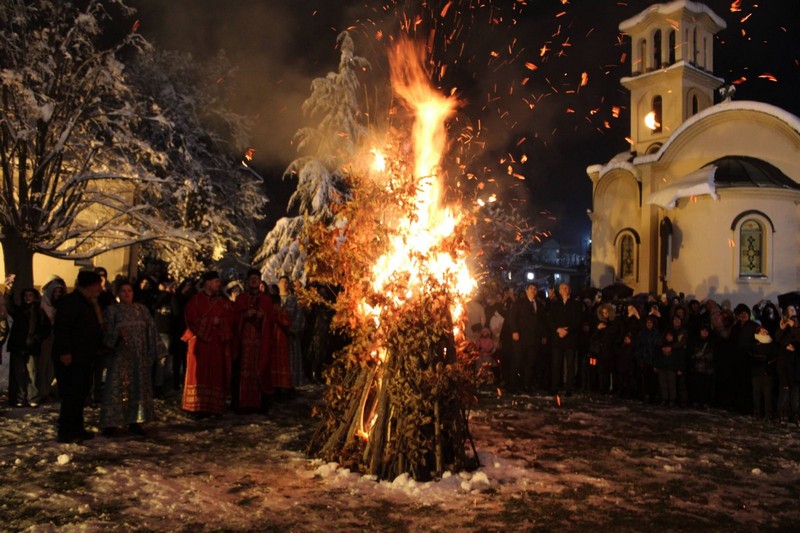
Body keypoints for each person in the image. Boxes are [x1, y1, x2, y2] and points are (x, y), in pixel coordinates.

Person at [100, 280, 162, 436]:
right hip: (119, 358)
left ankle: (135, 421)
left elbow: (152, 330)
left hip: (139, 358)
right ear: (118, 293)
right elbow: (105, 334)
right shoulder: (111, 311)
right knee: (116, 388)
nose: (127, 294)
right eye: (123, 291)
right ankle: (111, 423)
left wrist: (156, 351)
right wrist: (117, 334)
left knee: (137, 388)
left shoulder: (141, 309)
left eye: (130, 291)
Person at [53, 270, 105, 443]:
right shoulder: (71, 302)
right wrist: (65, 351)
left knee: (80, 393)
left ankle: (77, 427)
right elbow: (62, 328)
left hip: (84, 356)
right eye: (97, 285)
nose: (100, 288)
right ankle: (66, 430)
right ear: (89, 286)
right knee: (71, 394)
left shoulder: (88, 303)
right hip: (71, 357)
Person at [182, 271, 234, 417]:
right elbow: (191, 319)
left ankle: (213, 407)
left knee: (215, 374)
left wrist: (221, 323)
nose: (219, 284)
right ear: (207, 283)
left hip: (217, 344)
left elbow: (231, 318)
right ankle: (196, 407)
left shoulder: (223, 302)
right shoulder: (195, 300)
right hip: (199, 344)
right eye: (216, 281)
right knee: (198, 374)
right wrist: (212, 322)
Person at [231, 268, 275, 412]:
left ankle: (259, 405)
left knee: (260, 368)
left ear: (260, 281)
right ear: (247, 281)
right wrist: (244, 315)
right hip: (243, 343)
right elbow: (233, 318)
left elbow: (272, 320)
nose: (254, 281)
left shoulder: (266, 299)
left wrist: (264, 317)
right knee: (241, 371)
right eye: (251, 279)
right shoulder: (241, 298)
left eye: (256, 278)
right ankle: (241, 404)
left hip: (260, 342)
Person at [5, 278, 51, 408]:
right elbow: (9, 306)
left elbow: (46, 328)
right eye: (25, 295)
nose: (27, 298)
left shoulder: (40, 312)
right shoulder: (19, 310)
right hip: (18, 346)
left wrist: (36, 339)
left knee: (32, 372)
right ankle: (19, 398)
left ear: (35, 297)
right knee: (18, 374)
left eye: (30, 295)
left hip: (32, 347)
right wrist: (8, 290)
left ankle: (33, 397)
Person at [507, 283, 546, 393]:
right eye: (531, 288)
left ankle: (526, 385)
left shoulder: (539, 305)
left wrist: (544, 335)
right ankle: (513, 386)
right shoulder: (519, 303)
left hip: (533, 339)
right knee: (517, 361)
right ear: (526, 290)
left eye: (535, 289)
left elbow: (542, 322)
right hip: (521, 337)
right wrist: (514, 331)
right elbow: (512, 318)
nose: (533, 290)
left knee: (530, 363)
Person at [546, 283, 582, 396]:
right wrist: (558, 329)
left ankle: (569, 388)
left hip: (570, 338)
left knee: (570, 364)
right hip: (558, 338)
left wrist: (568, 330)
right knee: (556, 364)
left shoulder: (576, 304)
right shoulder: (555, 305)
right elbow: (550, 320)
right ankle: (554, 387)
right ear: (559, 291)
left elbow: (578, 320)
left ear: (569, 290)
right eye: (562, 288)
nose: (564, 289)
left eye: (566, 287)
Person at [39, 277, 67, 403]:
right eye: (55, 292)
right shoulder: (43, 305)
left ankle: (49, 389)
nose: (57, 294)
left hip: (57, 338)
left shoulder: (61, 305)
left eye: (59, 292)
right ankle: (43, 391)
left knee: (52, 366)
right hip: (46, 338)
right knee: (43, 365)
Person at [276, 275, 306, 389]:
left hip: (291, 337)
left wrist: (291, 329)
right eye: (282, 282)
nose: (284, 284)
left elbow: (299, 316)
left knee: (291, 360)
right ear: (278, 284)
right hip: (277, 337)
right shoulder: (274, 299)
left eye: (286, 282)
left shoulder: (294, 300)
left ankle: (291, 385)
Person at [750, 327, 776, 420]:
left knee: (767, 395)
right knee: (756, 394)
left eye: (765, 330)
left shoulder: (771, 343)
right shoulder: (754, 343)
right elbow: (751, 355)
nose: (764, 332)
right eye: (762, 330)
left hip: (767, 372)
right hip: (757, 372)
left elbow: (774, 356)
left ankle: (768, 414)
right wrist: (760, 358)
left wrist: (769, 362)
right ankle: (756, 413)